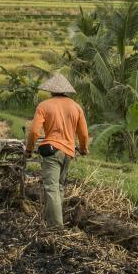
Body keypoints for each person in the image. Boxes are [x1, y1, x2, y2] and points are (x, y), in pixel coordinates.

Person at [25, 73, 90, 228]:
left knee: (51, 188)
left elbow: (34, 131)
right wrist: (83, 149)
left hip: (52, 152)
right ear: (66, 91)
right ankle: (53, 220)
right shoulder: (76, 107)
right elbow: (84, 133)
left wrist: (29, 149)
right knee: (59, 187)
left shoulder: (44, 106)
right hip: (68, 152)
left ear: (51, 91)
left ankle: (55, 228)